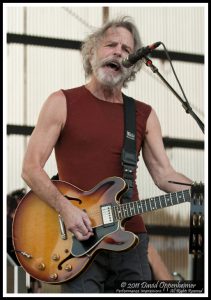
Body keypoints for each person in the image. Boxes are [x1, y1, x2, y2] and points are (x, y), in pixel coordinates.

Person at [21, 16, 192, 293]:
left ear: (134, 63)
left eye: (127, 49)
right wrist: (66, 210)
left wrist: (198, 190)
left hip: (131, 239)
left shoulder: (142, 114)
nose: (119, 52)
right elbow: (30, 168)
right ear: (92, 52)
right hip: (78, 239)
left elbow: (164, 175)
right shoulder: (61, 102)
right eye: (111, 44)